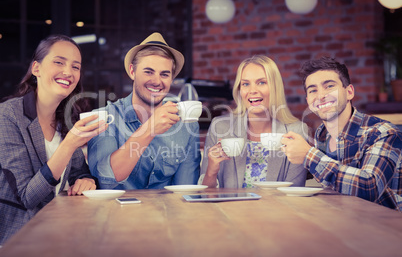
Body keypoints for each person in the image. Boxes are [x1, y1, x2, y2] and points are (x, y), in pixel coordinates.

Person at [0, 35, 107, 245]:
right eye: (59, 62)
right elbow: (28, 196)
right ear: (36, 69)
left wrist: (88, 181)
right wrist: (69, 144)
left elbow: (80, 172)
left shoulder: (65, 119)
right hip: (17, 240)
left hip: (60, 233)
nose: (68, 72)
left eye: (75, 67)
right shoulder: (8, 116)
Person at [282, 56, 402, 211]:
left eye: (329, 86)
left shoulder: (383, 133)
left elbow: (369, 188)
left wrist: (308, 155)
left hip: (386, 229)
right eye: (313, 90)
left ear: (349, 92)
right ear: (308, 101)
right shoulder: (321, 135)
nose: (320, 96)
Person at [87, 32, 201, 189]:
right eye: (148, 72)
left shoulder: (187, 125)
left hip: (166, 212)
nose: (156, 81)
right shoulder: (105, 118)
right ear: (132, 71)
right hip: (116, 212)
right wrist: (149, 129)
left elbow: (185, 189)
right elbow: (106, 179)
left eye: (164, 74)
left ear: (172, 78)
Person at [200, 55, 309, 188]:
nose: (252, 91)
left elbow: (295, 192)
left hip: (277, 208)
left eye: (261, 82)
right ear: (239, 90)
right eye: (245, 84)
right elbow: (205, 194)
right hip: (229, 208)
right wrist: (211, 170)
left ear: (275, 87)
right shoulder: (220, 127)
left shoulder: (297, 131)